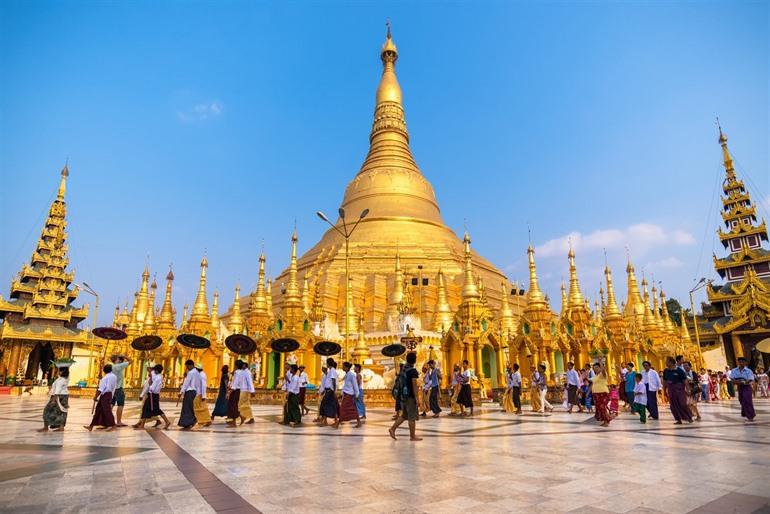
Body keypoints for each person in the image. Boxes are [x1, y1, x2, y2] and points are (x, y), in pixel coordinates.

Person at [388, 351, 423, 441]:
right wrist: (417, 398)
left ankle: (392, 429)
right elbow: (414, 385)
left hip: (403, 396)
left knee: (404, 415)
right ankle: (412, 436)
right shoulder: (413, 371)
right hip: (410, 396)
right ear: (415, 360)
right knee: (412, 417)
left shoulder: (403, 369)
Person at [134, 364, 171, 430]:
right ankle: (167, 421)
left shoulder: (157, 378)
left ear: (156, 370)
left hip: (152, 395)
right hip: (154, 395)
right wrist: (151, 376)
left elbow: (152, 388)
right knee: (153, 409)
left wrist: (150, 383)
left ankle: (142, 425)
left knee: (147, 409)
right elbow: (152, 375)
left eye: (154, 370)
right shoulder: (159, 376)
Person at [39, 361, 71, 432]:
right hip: (64, 396)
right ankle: (61, 427)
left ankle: (45, 427)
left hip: (58, 397)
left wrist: (53, 400)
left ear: (62, 372)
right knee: (62, 411)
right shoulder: (66, 378)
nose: (58, 371)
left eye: (59, 370)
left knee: (47, 410)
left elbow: (57, 391)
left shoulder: (60, 380)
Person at [84, 364, 117, 431]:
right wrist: (101, 379)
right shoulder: (114, 376)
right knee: (99, 410)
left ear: (104, 371)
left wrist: (95, 397)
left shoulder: (105, 378)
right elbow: (111, 385)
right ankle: (91, 426)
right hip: (109, 394)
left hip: (105, 395)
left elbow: (101, 389)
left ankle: (112, 425)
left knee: (107, 410)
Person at [663, 356, 693, 424]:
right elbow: (664, 381)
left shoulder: (679, 370)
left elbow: (685, 380)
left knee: (682, 403)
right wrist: (664, 390)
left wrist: (688, 389)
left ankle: (689, 417)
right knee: (673, 405)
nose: (666, 363)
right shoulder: (666, 371)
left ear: (671, 362)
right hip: (671, 389)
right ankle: (678, 419)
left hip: (679, 389)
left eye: (667, 362)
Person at [730, 357, 756, 422]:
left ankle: (750, 415)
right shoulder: (734, 370)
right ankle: (745, 412)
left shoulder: (749, 371)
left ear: (745, 363)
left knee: (747, 400)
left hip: (747, 387)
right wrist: (738, 382)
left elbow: (750, 379)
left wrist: (743, 382)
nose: (741, 363)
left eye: (743, 361)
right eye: (740, 361)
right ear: (738, 362)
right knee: (741, 400)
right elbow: (732, 379)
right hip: (740, 387)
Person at [336, 361, 361, 428]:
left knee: (343, 409)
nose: (342, 367)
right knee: (353, 409)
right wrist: (342, 393)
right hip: (346, 394)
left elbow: (355, 385)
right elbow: (346, 385)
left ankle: (338, 423)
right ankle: (359, 422)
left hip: (349, 394)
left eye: (343, 366)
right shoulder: (347, 374)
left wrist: (357, 394)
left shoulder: (352, 375)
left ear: (347, 367)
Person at [109, 354, 131, 427]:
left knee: (111, 404)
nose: (120, 360)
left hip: (113, 389)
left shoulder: (112, 367)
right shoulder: (119, 366)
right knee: (120, 405)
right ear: (116, 360)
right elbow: (131, 361)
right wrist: (124, 356)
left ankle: (107, 420)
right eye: (119, 359)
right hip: (119, 389)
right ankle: (118, 421)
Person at [178, 360, 199, 430]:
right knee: (191, 407)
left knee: (187, 408)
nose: (187, 368)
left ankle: (187, 422)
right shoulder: (197, 372)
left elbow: (186, 383)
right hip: (194, 392)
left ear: (190, 365)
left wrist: (181, 392)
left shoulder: (190, 373)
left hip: (189, 392)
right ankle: (192, 420)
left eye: (187, 366)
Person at [590, 360, 612, 427]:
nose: (595, 369)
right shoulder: (595, 376)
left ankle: (607, 421)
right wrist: (588, 392)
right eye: (594, 368)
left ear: (600, 367)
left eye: (597, 367)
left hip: (603, 393)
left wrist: (600, 361)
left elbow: (603, 370)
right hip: (596, 394)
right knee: (599, 408)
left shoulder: (603, 374)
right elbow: (593, 384)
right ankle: (605, 420)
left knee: (602, 407)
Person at [319, 358, 338, 426]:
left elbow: (333, 381)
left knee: (326, 405)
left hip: (330, 391)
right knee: (329, 405)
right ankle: (326, 420)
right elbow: (328, 382)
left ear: (328, 363)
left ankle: (332, 420)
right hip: (328, 390)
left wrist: (334, 391)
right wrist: (324, 390)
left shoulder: (332, 370)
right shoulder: (330, 371)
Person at [192, 363, 212, 427]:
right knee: (203, 407)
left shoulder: (201, 375)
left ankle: (201, 421)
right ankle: (207, 420)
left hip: (200, 394)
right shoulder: (201, 374)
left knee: (198, 407)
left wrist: (203, 396)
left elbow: (203, 386)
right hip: (199, 394)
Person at [226, 360, 243, 427]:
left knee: (232, 406)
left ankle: (234, 422)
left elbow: (235, 383)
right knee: (234, 405)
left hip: (234, 390)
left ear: (236, 366)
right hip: (238, 390)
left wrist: (230, 391)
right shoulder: (241, 372)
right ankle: (240, 417)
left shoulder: (237, 373)